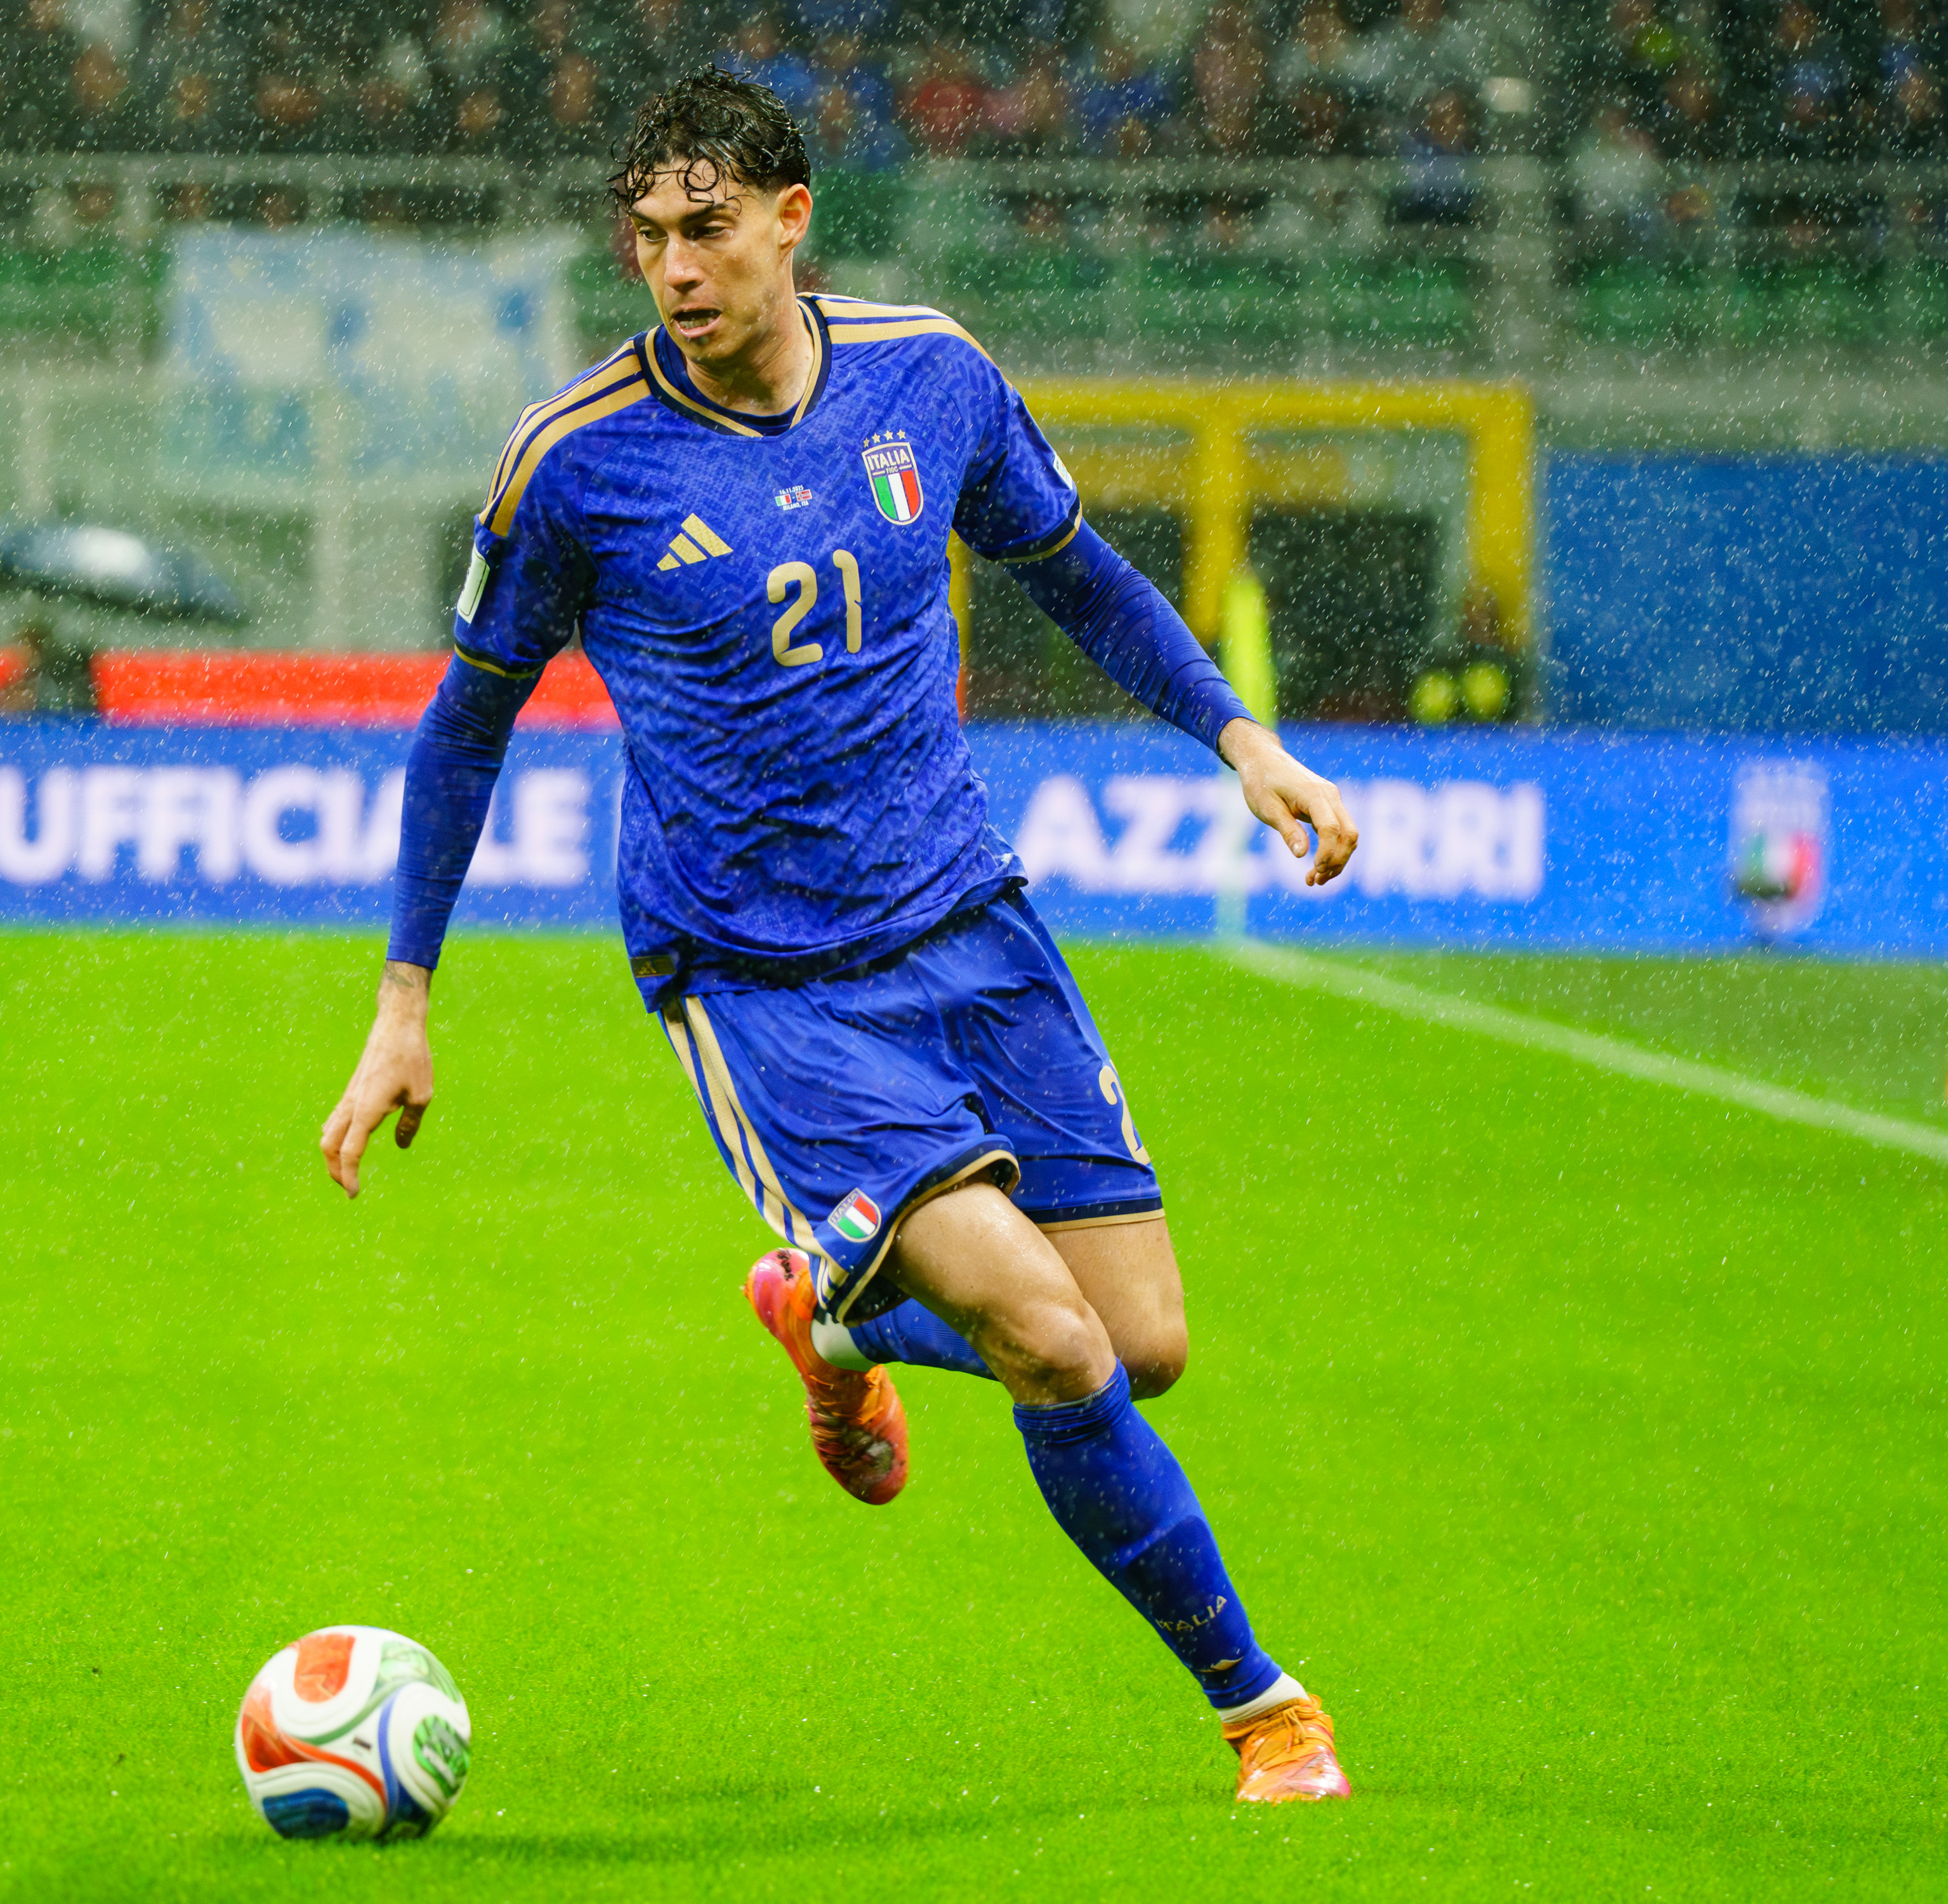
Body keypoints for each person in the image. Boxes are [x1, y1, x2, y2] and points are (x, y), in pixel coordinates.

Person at [317, 66, 1363, 1806]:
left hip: (965, 921)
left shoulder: (928, 377)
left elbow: (1077, 573)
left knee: (1140, 1346)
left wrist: (1238, 740)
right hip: (764, 986)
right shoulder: (575, 464)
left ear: (792, 220)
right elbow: (464, 723)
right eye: (645, 237)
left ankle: (838, 1320)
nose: (672, 267)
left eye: (706, 228)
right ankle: (1264, 1712)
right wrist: (402, 997)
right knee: (1054, 1345)